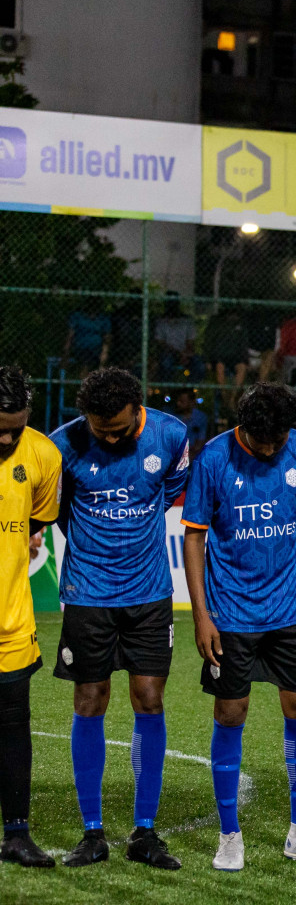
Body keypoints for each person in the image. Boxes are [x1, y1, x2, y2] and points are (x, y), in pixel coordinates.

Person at [181, 383, 296, 871]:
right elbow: (193, 538)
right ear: (243, 426)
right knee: (231, 714)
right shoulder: (213, 458)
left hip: (292, 609)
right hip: (231, 613)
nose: (271, 450)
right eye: (261, 442)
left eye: (278, 441)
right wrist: (202, 614)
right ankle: (229, 834)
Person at [49, 367, 190, 869]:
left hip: (150, 591)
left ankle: (145, 832)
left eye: (119, 428)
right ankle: (92, 833)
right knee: (90, 699)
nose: (108, 437)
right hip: (88, 594)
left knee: (149, 697)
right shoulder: (62, 446)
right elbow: (58, 510)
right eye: (99, 429)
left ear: (139, 409)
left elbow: (172, 490)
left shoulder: (171, 434)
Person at [0, 367, 62, 867]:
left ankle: (17, 834)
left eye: (14, 428)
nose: (6, 436)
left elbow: (36, 525)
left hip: (11, 625)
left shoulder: (42, 454)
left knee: (14, 725)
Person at [171, 389, 212, 458]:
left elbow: (201, 439)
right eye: (178, 401)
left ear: (191, 402)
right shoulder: (172, 417)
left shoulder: (200, 417)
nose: (178, 403)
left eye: (182, 402)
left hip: (193, 454)